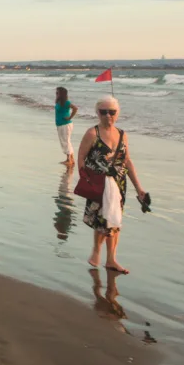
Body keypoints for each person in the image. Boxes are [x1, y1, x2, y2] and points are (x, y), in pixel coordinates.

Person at [77, 96, 146, 275]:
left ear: (118, 113)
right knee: (102, 220)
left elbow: (127, 161)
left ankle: (111, 259)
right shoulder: (92, 133)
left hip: (118, 184)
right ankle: (97, 250)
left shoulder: (123, 135)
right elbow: (81, 158)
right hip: (99, 183)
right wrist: (89, 179)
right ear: (97, 113)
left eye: (112, 112)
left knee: (115, 221)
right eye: (103, 112)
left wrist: (139, 189)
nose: (108, 116)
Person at [55, 87, 78, 167]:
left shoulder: (66, 102)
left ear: (61, 94)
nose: (56, 94)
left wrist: (70, 117)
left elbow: (75, 108)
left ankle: (69, 160)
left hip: (65, 124)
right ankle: (71, 159)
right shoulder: (58, 102)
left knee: (66, 141)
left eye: (57, 93)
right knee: (65, 141)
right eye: (56, 93)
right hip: (60, 124)